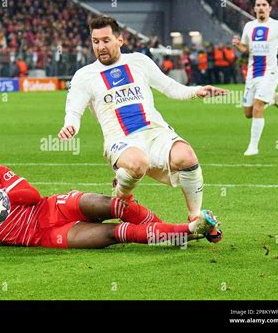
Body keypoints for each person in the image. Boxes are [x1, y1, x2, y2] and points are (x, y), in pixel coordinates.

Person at [0, 146, 222, 253]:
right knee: (116, 234)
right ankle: (189, 231)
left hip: (53, 206)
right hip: (46, 236)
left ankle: (179, 228)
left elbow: (31, 195)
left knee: (113, 204)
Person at [57, 16, 226, 231]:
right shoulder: (84, 76)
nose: (101, 46)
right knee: (138, 163)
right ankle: (122, 195)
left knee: (187, 156)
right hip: (120, 141)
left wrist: (197, 91)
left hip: (155, 132)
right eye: (95, 41)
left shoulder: (139, 62)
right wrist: (70, 125)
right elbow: (74, 110)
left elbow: (169, 87)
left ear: (120, 40)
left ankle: (195, 217)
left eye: (106, 40)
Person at [232, 0, 278, 156]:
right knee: (248, 113)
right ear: (254, 9)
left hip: (270, 72)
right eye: (258, 5)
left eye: (264, 5)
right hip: (252, 73)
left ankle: (253, 147)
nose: (261, 8)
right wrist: (239, 46)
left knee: (258, 106)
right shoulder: (249, 27)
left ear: (270, 8)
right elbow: (247, 49)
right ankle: (272, 98)